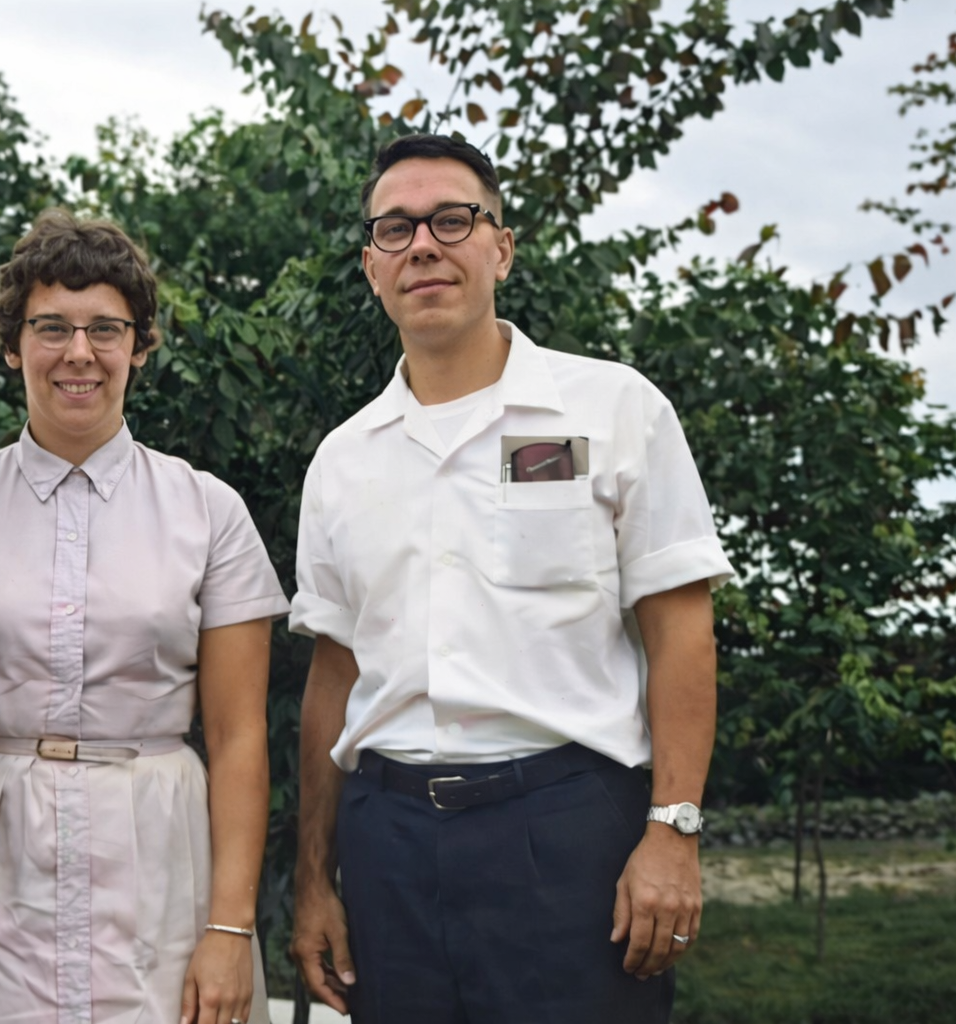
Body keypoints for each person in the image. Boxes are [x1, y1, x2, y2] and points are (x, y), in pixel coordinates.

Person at [287, 134, 736, 1023]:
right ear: (371, 267)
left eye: (452, 220)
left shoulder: (611, 409)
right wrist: (314, 880)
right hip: (390, 846)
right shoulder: (343, 461)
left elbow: (681, 631)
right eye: (394, 229)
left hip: (568, 834)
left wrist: (673, 830)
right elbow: (334, 677)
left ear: (501, 247)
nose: (423, 245)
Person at [0, 209, 290, 1024]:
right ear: (11, 343)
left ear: (140, 345)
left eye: (106, 329)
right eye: (51, 327)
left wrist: (230, 927)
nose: (79, 353)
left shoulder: (208, 511)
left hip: (160, 848)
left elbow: (240, 739)